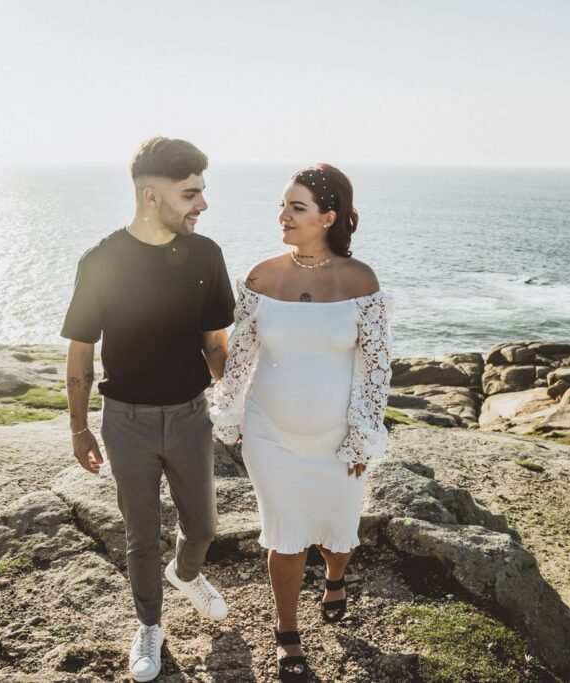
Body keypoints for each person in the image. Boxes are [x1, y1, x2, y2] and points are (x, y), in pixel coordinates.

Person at [61, 137, 236, 682]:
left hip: (190, 416)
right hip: (126, 423)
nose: (202, 204)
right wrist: (78, 426)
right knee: (140, 536)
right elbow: (81, 351)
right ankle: (150, 627)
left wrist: (232, 407)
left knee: (203, 527)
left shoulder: (206, 256)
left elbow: (215, 344)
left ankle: (186, 574)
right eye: (191, 193)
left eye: (202, 192)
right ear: (152, 196)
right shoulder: (101, 261)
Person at [210, 164, 392, 682]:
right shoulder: (262, 276)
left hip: (337, 440)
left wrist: (361, 438)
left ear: (328, 217)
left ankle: (335, 579)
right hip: (270, 436)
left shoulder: (361, 282)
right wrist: (230, 415)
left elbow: (376, 368)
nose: (283, 216)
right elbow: (240, 356)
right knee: (284, 537)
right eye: (282, 205)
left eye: (297, 208)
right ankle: (287, 633)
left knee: (339, 536)